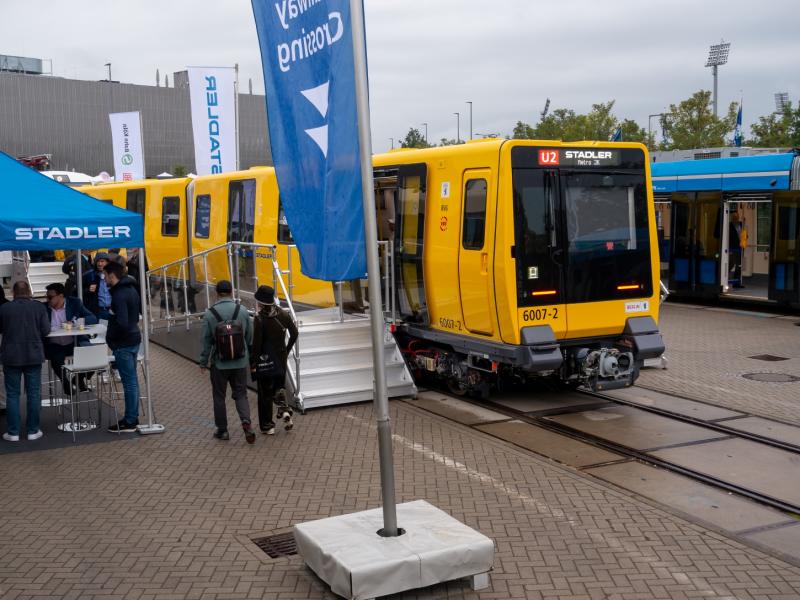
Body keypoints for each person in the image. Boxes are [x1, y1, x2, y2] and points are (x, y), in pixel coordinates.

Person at [199, 280, 255, 443]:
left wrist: (203, 362)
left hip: (220, 364)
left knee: (219, 397)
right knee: (241, 394)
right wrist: (249, 358)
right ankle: (246, 422)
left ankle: (222, 430)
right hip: (240, 362)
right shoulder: (242, 311)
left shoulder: (210, 314)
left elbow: (206, 341)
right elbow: (249, 337)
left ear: (217, 293)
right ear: (232, 292)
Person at [0, 281, 51, 441]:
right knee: (34, 393)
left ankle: (13, 432)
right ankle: (33, 431)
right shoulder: (39, 307)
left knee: (12, 394)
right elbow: (46, 330)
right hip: (33, 355)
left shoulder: (4, 308)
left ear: (13, 293)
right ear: (29, 291)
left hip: (11, 355)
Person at [251, 285, 297, 435]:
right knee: (279, 388)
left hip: (265, 361)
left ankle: (267, 426)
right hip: (280, 359)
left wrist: (253, 363)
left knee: (265, 394)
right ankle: (284, 411)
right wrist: (287, 349)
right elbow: (295, 333)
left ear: (261, 303)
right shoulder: (283, 314)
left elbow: (256, 345)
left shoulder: (259, 319)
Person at [103, 260, 142, 433]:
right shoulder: (132, 289)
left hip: (123, 343)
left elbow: (122, 322)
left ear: (112, 275)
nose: (104, 278)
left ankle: (130, 420)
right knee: (132, 381)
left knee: (129, 383)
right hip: (133, 339)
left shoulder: (119, 294)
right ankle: (132, 416)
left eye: (105, 275)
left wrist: (111, 338)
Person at [43, 282, 98, 394]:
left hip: (74, 341)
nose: (48, 300)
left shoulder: (74, 303)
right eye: (47, 297)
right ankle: (66, 383)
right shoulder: (44, 308)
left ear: (61, 296)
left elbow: (92, 318)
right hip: (54, 344)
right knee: (56, 359)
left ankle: (78, 378)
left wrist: (74, 322)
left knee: (93, 354)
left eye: (50, 297)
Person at [83, 252, 113, 319]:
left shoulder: (113, 275)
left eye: (102, 261)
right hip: (98, 311)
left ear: (107, 262)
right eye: (98, 261)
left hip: (112, 310)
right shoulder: (89, 275)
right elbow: (78, 291)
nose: (99, 264)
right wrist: (88, 290)